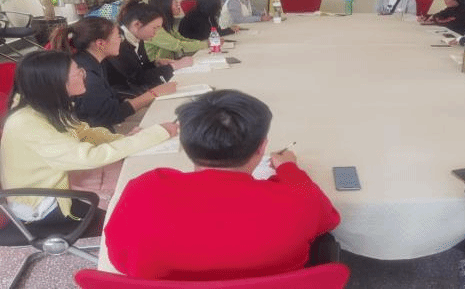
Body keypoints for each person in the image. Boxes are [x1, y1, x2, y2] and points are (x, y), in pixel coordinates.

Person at [105, 89, 340, 280]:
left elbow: (119, 259)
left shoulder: (145, 190)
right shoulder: (299, 197)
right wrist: (289, 168)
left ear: (184, 145)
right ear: (262, 147)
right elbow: (328, 220)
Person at [0, 50, 178, 227]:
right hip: (45, 203)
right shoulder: (26, 123)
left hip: (62, 178)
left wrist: (122, 138)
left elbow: (85, 133)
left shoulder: (45, 104)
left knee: (142, 175)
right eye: (78, 72)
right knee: (141, 195)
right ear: (56, 82)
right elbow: (89, 157)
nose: (83, 74)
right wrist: (155, 134)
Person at [50, 17, 176, 131]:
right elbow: (110, 115)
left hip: (104, 121)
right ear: (100, 43)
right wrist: (153, 93)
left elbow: (107, 98)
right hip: (99, 130)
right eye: (118, 37)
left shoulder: (90, 61)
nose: (121, 41)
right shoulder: (85, 73)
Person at [107, 0, 193, 96]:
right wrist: (173, 67)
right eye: (154, 28)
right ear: (137, 24)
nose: (155, 33)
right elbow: (137, 78)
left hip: (137, 89)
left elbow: (142, 68)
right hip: (122, 95)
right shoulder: (118, 42)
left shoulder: (137, 37)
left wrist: (156, 63)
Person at [145, 0, 209, 61]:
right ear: (165, 6)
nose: (179, 5)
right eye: (175, 3)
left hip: (170, 62)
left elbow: (182, 39)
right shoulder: (155, 29)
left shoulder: (167, 25)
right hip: (156, 66)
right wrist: (206, 44)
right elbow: (178, 46)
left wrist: (206, 43)